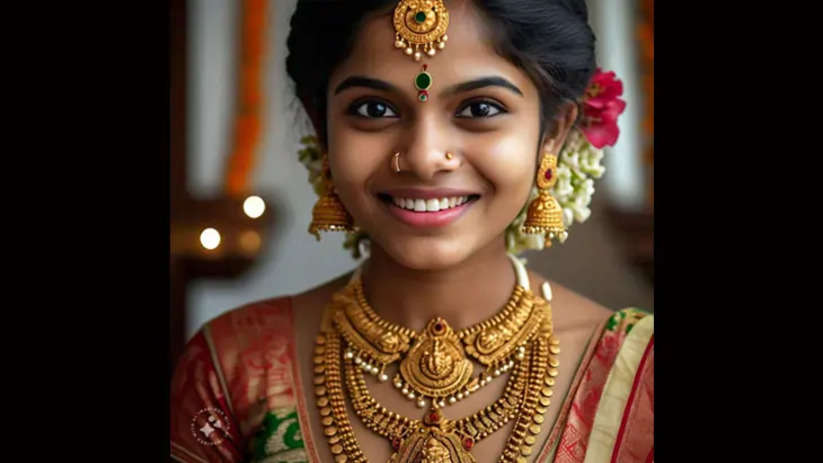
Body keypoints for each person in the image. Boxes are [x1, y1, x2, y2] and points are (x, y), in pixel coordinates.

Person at [170, 1, 653, 462]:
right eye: (375, 110)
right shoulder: (235, 366)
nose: (423, 156)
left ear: (552, 132)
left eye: (480, 109)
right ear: (322, 129)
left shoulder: (638, 375)